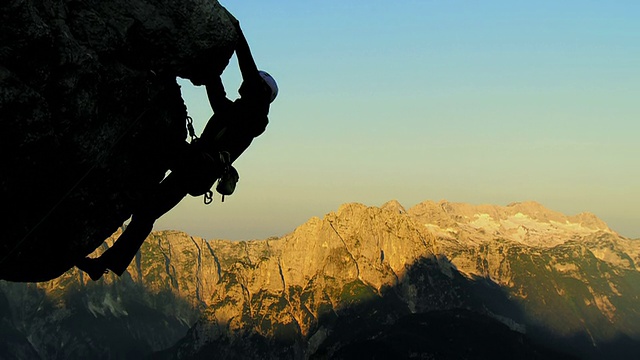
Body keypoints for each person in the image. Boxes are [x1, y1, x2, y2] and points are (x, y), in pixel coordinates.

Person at [76, 14, 278, 281]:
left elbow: (244, 70)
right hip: (197, 171)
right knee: (147, 211)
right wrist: (211, 75)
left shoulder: (254, 112)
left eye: (254, 83)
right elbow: (220, 103)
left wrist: (237, 32)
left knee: (154, 143)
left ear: (260, 90)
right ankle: (103, 264)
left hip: (195, 165)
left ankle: (112, 197)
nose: (245, 83)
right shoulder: (244, 116)